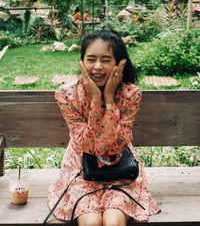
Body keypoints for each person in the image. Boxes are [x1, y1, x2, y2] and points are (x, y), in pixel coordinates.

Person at [47, 30, 160, 225]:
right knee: (91, 222)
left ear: (118, 62)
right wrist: (96, 100)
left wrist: (108, 100)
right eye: (91, 59)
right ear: (82, 62)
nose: (97, 66)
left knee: (113, 220)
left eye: (106, 59)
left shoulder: (131, 94)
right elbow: (88, 145)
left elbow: (115, 146)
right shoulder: (66, 94)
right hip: (80, 171)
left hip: (121, 171)